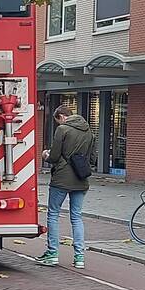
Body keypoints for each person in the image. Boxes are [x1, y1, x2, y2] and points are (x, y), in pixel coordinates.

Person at [38, 105, 96, 269]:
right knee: (76, 217)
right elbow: (92, 157)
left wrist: (46, 155)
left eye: (57, 121)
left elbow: (55, 156)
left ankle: (53, 253)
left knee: (53, 214)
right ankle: (79, 257)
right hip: (81, 179)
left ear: (62, 116)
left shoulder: (63, 130)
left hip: (62, 179)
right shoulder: (89, 131)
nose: (58, 124)